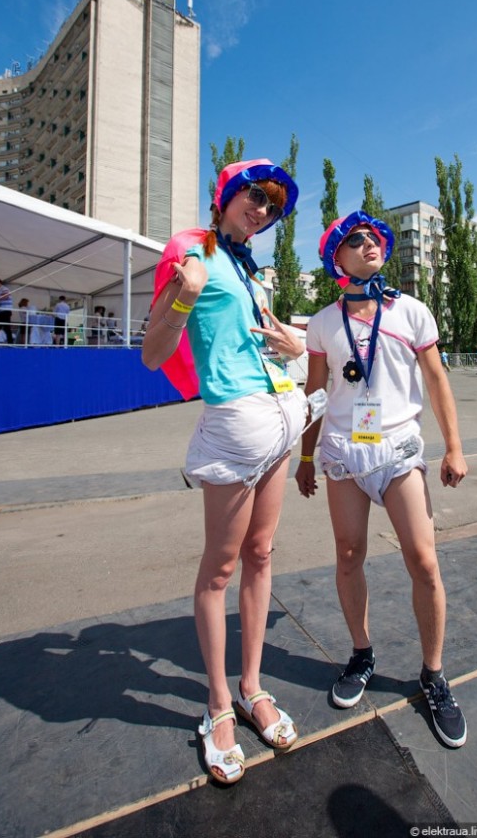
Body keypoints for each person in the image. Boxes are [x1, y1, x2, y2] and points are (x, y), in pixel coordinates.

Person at [142, 159, 318, 785]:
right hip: (232, 425)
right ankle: (217, 705)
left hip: (277, 419)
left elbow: (263, 343)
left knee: (262, 553)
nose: (262, 210)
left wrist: (297, 351)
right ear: (224, 196)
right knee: (219, 567)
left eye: (272, 205)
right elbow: (153, 353)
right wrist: (185, 294)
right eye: (254, 196)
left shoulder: (250, 269)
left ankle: (251, 687)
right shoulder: (191, 252)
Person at [295, 211, 468, 749]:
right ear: (336, 259)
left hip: (397, 449)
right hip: (344, 453)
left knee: (423, 558)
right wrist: (305, 455)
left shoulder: (411, 311)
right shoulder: (324, 323)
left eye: (374, 238)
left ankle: (434, 675)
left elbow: (436, 379)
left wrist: (454, 446)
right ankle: (361, 653)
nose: (368, 243)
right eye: (355, 240)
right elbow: (317, 392)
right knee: (348, 555)